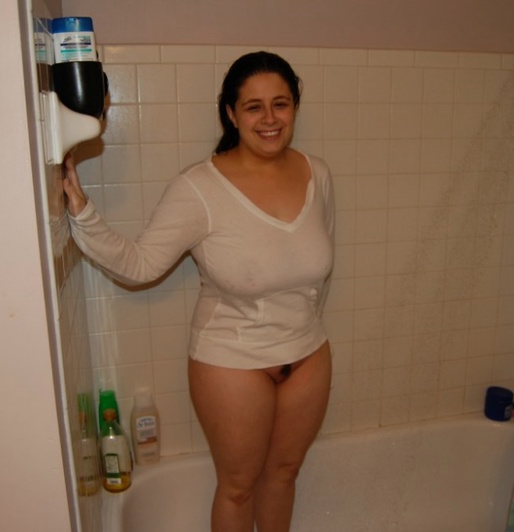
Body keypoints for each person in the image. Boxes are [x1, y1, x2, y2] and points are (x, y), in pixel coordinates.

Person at [62, 51, 335, 532]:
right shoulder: (200, 187)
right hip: (232, 362)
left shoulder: (318, 173)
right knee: (238, 487)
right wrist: (83, 213)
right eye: (253, 107)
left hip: (308, 356)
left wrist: (303, 327)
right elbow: (141, 265)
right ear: (231, 113)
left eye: (281, 103)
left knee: (284, 474)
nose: (269, 118)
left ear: (295, 107)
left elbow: (317, 272)